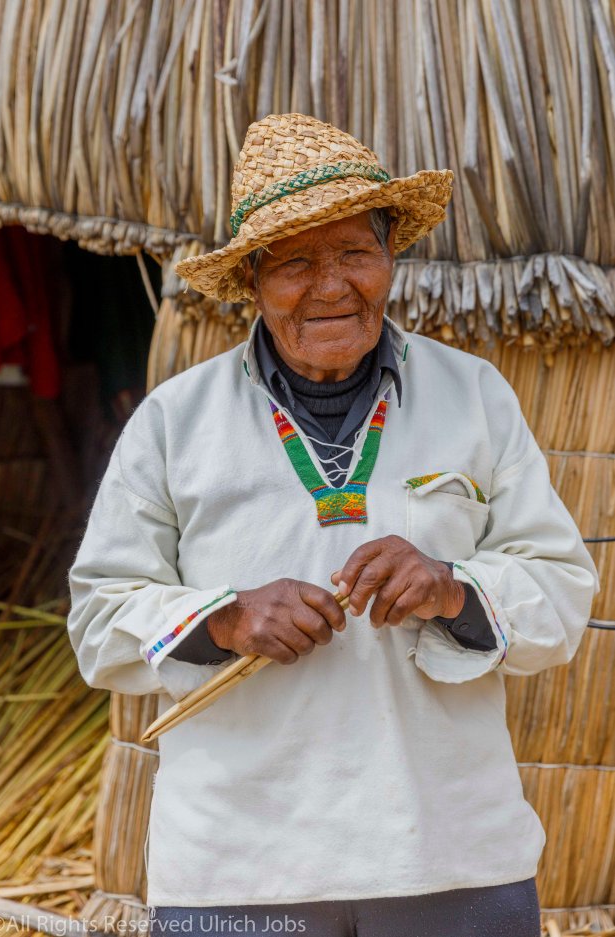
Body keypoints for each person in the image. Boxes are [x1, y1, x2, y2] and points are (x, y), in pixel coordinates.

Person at [67, 114, 600, 937]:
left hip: (452, 856)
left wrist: (452, 588)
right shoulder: (177, 420)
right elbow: (99, 623)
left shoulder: (474, 395)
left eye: (355, 253)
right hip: (240, 863)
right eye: (295, 262)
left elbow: (562, 594)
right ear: (249, 277)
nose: (330, 286)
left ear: (390, 256)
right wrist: (226, 616)